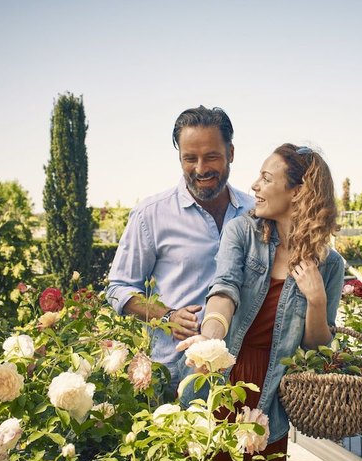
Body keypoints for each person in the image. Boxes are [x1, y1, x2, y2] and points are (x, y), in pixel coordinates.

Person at [176, 143, 345, 461]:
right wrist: (209, 341)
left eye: (267, 178)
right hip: (223, 378)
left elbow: (316, 349)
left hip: (270, 398)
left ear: (298, 193)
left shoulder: (330, 265)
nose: (254, 185)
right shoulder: (242, 232)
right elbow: (224, 289)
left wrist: (317, 300)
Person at [106, 106, 254, 390]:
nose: (200, 169)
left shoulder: (256, 213)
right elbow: (118, 289)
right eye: (190, 158)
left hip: (244, 374)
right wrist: (166, 315)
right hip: (175, 376)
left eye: (211, 156)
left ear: (231, 153)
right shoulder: (150, 214)